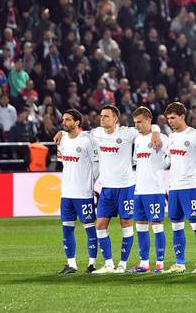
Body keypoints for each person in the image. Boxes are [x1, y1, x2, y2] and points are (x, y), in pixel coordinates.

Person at [56, 105, 161, 273]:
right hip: (106, 188)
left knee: (126, 224)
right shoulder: (95, 134)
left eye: (106, 116)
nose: (101, 118)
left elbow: (147, 128)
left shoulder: (127, 133)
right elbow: (77, 133)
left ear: (115, 119)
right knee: (100, 225)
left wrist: (156, 130)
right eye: (101, 115)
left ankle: (122, 265)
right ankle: (109, 264)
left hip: (125, 187)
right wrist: (62, 133)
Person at [163, 102, 196, 274]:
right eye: (168, 118)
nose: (170, 121)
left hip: (190, 186)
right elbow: (167, 161)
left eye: (173, 118)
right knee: (176, 225)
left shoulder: (195, 135)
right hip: (174, 187)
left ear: (182, 116)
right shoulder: (171, 137)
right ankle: (180, 264)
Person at [57, 109, 99, 274]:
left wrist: (89, 183)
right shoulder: (61, 140)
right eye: (63, 120)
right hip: (66, 193)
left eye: (68, 120)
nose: (64, 122)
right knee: (67, 229)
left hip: (83, 194)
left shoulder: (87, 140)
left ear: (77, 122)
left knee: (89, 228)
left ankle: (92, 264)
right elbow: (63, 163)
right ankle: (71, 264)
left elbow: (97, 165)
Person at [129, 107, 168, 273]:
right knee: (141, 226)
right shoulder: (137, 140)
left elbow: (170, 157)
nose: (137, 125)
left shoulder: (161, 138)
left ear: (148, 120)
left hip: (154, 189)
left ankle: (160, 263)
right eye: (135, 122)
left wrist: (160, 168)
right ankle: (144, 263)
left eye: (139, 122)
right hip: (139, 191)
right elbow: (135, 162)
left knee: (157, 225)